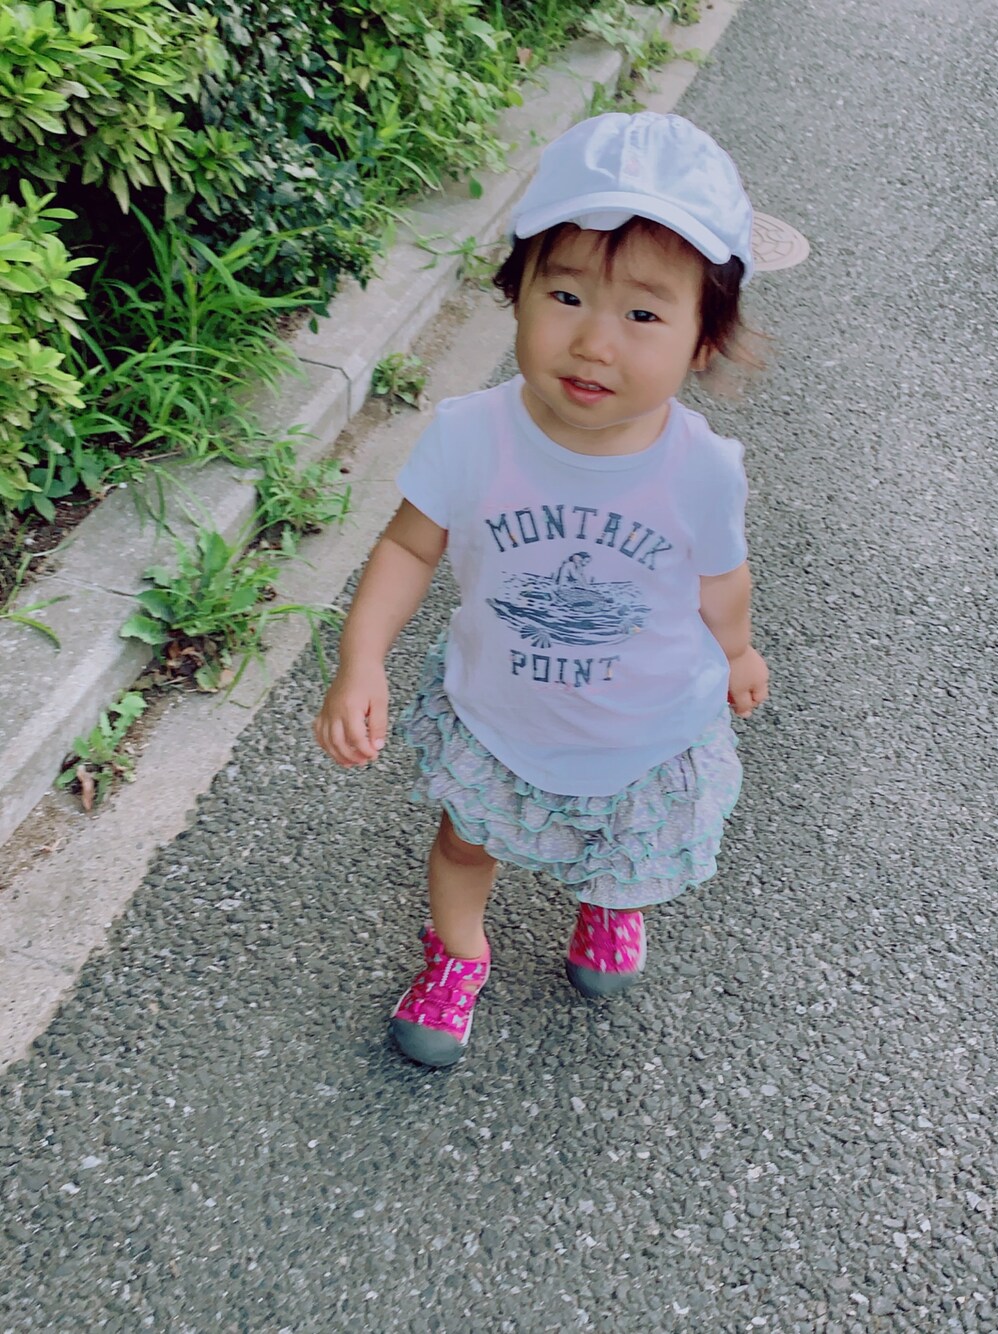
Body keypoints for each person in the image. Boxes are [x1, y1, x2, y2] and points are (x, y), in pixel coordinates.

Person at [314, 111, 770, 1068]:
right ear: (515, 293)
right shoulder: (471, 435)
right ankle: (457, 953)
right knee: (465, 843)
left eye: (643, 315)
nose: (595, 342)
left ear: (703, 340)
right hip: (500, 716)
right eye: (565, 294)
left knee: (623, 846)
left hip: (646, 729)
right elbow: (408, 548)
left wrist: (735, 653)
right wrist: (362, 660)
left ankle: (608, 906)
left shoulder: (701, 469)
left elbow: (721, 578)